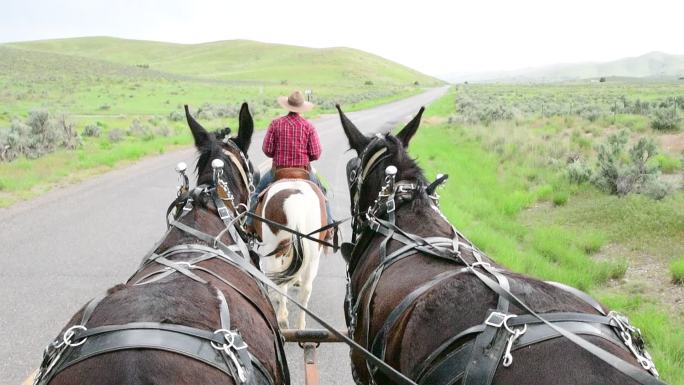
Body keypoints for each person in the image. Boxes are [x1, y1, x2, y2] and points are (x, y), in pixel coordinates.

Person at [246, 90, 333, 232]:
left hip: (278, 172)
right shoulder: (308, 126)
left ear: (287, 106)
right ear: (301, 108)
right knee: (323, 194)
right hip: (303, 172)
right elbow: (316, 154)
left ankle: (249, 225)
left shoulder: (275, 124)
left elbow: (267, 150)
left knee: (257, 193)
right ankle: (329, 228)